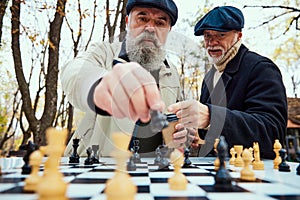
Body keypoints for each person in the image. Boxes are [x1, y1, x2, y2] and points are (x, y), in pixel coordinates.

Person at [61, 0, 198, 157]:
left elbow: (173, 120)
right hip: (99, 167)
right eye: (143, 19)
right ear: (127, 21)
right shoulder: (105, 51)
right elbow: (73, 72)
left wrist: (181, 131)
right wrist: (102, 84)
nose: (150, 28)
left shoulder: (172, 71)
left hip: (155, 170)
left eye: (160, 23)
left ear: (168, 30)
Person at [168, 6, 288, 159]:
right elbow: (211, 135)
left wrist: (212, 117)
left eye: (221, 35)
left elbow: (272, 132)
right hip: (216, 171)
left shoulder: (261, 68)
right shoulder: (209, 78)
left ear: (239, 36)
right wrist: (196, 134)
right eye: (207, 36)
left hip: (255, 175)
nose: (212, 43)